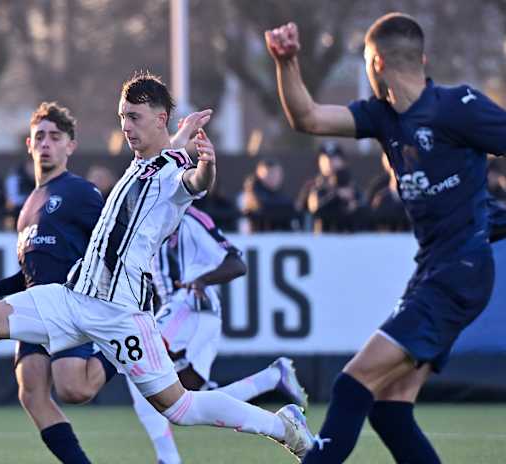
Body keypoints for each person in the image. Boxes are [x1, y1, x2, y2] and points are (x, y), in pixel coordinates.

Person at [0, 72, 313, 460]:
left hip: (122, 315)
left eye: (134, 117)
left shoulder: (174, 173)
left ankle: (282, 426)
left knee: (180, 409)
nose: (125, 126)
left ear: (159, 119)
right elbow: (161, 156)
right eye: (122, 117)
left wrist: (205, 165)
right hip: (73, 299)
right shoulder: (142, 164)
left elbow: (194, 184)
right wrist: (178, 135)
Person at [266, 13, 506, 463]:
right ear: (422, 58)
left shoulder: (459, 106)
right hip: (435, 273)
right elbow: (309, 117)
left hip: (460, 273)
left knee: (350, 384)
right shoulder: (381, 115)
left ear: (375, 63)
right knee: (389, 408)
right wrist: (287, 63)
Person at [0, 102, 107, 464]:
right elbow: (33, 270)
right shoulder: (29, 204)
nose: (46, 143)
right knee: (31, 393)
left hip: (66, 306)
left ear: (70, 146)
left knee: (73, 389)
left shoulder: (80, 192)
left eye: (55, 137)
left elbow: (112, 244)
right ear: (29, 145)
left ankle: (117, 356)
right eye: (40, 137)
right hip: (36, 308)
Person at [129, 205, 309, 464]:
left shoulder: (190, 217)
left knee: (137, 362)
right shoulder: (149, 212)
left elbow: (237, 263)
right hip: (185, 309)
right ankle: (271, 379)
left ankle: (168, 459)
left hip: (190, 304)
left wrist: (202, 281)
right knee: (185, 399)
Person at [241, 158, 297, 232]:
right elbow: (263, 206)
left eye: (276, 174)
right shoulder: (252, 191)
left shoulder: (280, 194)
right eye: (269, 174)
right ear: (259, 174)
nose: (273, 177)